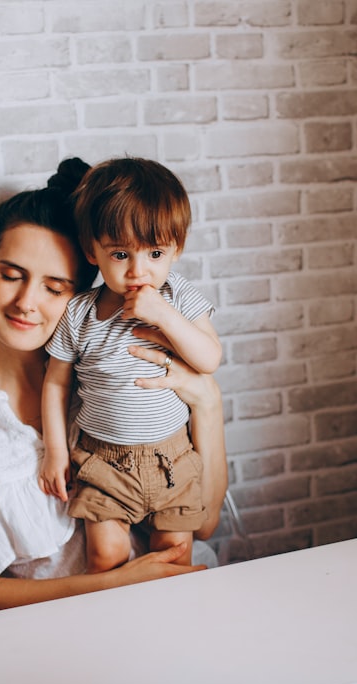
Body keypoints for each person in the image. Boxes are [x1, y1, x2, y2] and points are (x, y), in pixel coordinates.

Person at [0, 158, 227, 620]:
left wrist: (207, 400)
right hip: (68, 635)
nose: (27, 303)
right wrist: (108, 586)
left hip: (179, 608)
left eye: (54, 287)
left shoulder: (129, 373)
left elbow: (205, 524)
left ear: (82, 297)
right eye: (11, 275)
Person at [39, 158, 222, 574]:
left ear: (176, 249)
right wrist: (54, 452)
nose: (139, 271)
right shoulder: (81, 314)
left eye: (155, 253)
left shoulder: (177, 297)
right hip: (104, 460)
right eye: (121, 254)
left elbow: (209, 358)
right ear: (93, 252)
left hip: (173, 457)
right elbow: (55, 384)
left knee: (176, 551)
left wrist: (165, 316)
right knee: (104, 557)